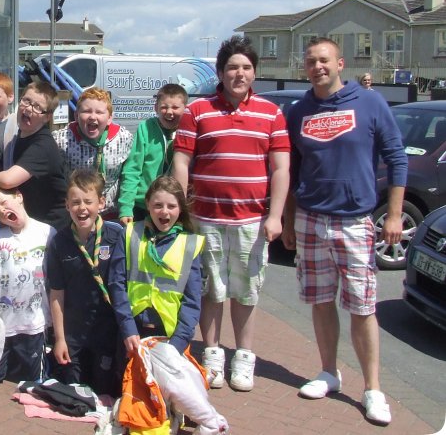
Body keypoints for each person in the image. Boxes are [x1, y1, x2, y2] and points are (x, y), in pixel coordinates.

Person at [282, 37, 407, 425]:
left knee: (362, 307)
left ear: (340, 63)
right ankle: (328, 372)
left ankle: (372, 389)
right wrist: (288, 219)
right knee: (320, 300)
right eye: (310, 61)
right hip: (311, 219)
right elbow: (292, 169)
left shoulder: (370, 103)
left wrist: (395, 215)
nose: (317, 66)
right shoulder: (300, 110)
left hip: (354, 220)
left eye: (324, 60)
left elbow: (396, 157)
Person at [172, 35, 290, 392]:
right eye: (232, 68)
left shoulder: (272, 113)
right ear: (221, 73)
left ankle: (243, 356)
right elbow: (182, 161)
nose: (239, 74)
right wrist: (183, 210)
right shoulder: (197, 111)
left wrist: (276, 216)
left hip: (251, 221)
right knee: (212, 290)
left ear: (254, 72)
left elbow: (281, 169)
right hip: (205, 218)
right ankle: (211, 353)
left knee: (246, 292)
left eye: (246, 67)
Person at [47, 169, 126, 397]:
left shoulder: (116, 237)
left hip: (107, 333)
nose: (82, 208)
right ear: (66, 205)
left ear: (101, 203)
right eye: (75, 202)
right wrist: (60, 339)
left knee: (104, 392)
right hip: (74, 336)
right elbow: (56, 294)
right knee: (75, 392)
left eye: (88, 202)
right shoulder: (59, 242)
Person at [110, 176, 204, 358]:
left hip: (169, 336)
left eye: (171, 206)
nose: (164, 212)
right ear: (147, 204)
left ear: (180, 208)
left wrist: (176, 345)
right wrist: (128, 329)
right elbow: (117, 284)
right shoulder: (130, 234)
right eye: (158, 205)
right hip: (132, 331)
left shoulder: (190, 244)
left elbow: (192, 301)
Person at [0, 186, 56, 383]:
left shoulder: (47, 233)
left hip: (35, 322)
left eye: (4, 203)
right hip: (3, 323)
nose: (3, 211)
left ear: (19, 197)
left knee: (35, 380)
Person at [0, 81, 70, 229]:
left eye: (38, 107)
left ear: (47, 118)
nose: (29, 108)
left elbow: (9, 180)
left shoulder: (42, 146)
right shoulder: (20, 133)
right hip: (32, 221)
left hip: (54, 227)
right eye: (26, 101)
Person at [53, 87, 133, 220]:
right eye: (87, 111)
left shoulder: (124, 139)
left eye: (99, 112)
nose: (92, 117)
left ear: (109, 118)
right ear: (76, 116)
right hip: (76, 213)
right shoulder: (61, 140)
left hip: (111, 212)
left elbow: (129, 176)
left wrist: (126, 208)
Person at [118, 84, 187, 226]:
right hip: (144, 206)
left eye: (175, 107)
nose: (169, 112)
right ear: (156, 108)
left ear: (185, 108)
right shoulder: (146, 128)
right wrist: (126, 207)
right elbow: (132, 169)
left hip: (174, 207)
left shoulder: (188, 130)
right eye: (163, 107)